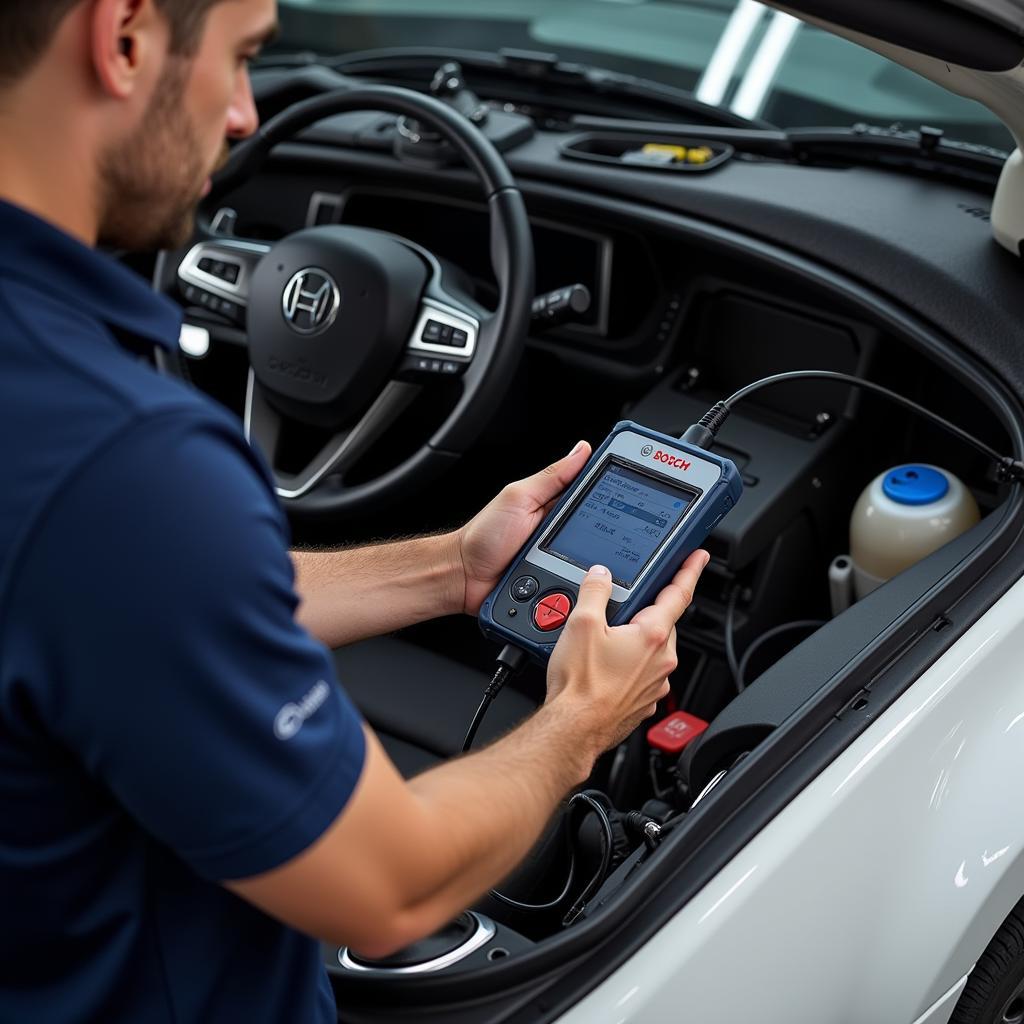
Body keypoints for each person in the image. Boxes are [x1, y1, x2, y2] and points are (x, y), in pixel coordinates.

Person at [0, 0, 710, 1020]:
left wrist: (453, 568)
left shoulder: (79, 457)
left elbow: (116, 603)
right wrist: (581, 720)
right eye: (242, 57)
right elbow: (389, 889)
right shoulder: (125, 465)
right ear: (123, 38)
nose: (246, 114)